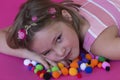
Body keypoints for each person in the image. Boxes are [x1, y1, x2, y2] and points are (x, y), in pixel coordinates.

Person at [0, 0, 120, 69]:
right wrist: (30, 53)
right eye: (47, 52)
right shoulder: (60, 11)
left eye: (58, 39)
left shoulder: (100, 43)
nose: (60, 52)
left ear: (67, 17)